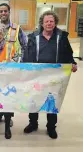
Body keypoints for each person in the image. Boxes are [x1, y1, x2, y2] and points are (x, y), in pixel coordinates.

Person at [23, 10, 78, 139]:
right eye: (46, 21)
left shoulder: (61, 37)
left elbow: (68, 53)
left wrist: (73, 63)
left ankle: (51, 127)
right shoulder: (33, 37)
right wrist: (24, 68)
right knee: (34, 100)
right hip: (36, 75)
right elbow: (27, 54)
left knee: (52, 101)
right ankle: (33, 123)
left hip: (55, 76)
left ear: (55, 23)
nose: (49, 23)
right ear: (42, 23)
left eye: (51, 21)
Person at [0, 3, 27, 126]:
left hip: (12, 69)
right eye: (1, 11)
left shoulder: (17, 28)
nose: (3, 13)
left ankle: (8, 117)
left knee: (9, 95)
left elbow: (25, 46)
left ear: (9, 12)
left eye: (5, 11)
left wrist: (21, 65)